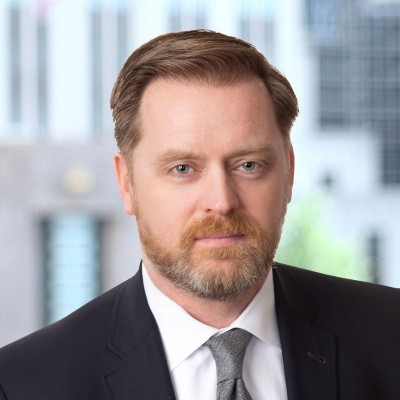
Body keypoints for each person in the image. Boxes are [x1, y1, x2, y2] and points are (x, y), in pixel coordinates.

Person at [0, 29, 399, 400]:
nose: (222, 201)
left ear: (289, 173)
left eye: (248, 165)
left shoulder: (390, 334)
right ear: (127, 184)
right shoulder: (22, 385)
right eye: (183, 169)